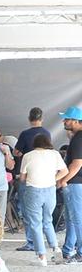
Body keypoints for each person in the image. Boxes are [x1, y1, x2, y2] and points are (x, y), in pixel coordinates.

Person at [19, 133, 68, 265]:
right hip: (50, 190)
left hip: (33, 191)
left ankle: (42, 256)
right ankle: (55, 248)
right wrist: (52, 179)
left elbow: (22, 178)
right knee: (47, 220)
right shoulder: (55, 154)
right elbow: (65, 171)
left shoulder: (28, 156)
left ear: (35, 144)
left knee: (35, 223)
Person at [13, 107, 52, 250]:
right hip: (45, 178)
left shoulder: (25, 134)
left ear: (29, 119)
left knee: (28, 211)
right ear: (42, 119)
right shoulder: (47, 133)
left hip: (29, 176)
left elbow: (16, 152)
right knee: (45, 213)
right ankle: (49, 241)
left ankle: (31, 242)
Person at [58, 106, 82, 263]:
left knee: (77, 218)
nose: (64, 122)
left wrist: (63, 180)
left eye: (67, 119)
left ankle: (80, 252)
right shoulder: (77, 137)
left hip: (75, 183)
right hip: (75, 183)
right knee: (72, 218)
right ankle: (68, 250)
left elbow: (77, 163)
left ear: (76, 121)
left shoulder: (79, 138)